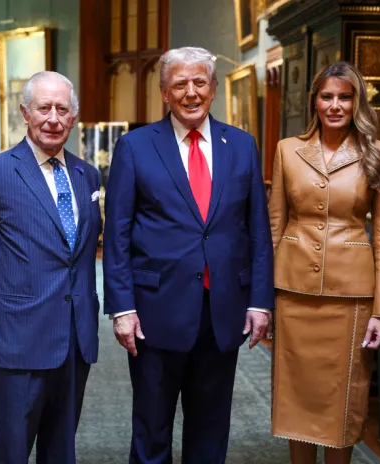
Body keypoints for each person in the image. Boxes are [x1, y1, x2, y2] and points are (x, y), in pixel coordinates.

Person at [103, 46, 274, 463]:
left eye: (200, 82)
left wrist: (259, 301)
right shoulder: (136, 146)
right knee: (151, 429)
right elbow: (117, 232)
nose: (191, 92)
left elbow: (257, 230)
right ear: (165, 92)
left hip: (223, 312)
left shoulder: (242, 145)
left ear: (213, 88)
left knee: (211, 431)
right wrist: (122, 307)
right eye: (180, 83)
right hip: (154, 313)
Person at [0, 71, 102, 464]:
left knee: (61, 450)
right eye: (44, 108)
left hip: (75, 338)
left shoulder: (86, 175)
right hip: (17, 338)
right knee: (12, 451)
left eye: (63, 109)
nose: (53, 118)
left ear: (74, 118)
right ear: (25, 113)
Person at [269, 61, 380, 463]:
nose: (335, 105)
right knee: (296, 400)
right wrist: (263, 296)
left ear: (357, 102)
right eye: (327, 96)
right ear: (315, 101)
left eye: (345, 97)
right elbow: (275, 224)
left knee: (343, 401)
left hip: (351, 297)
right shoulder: (287, 150)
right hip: (293, 292)